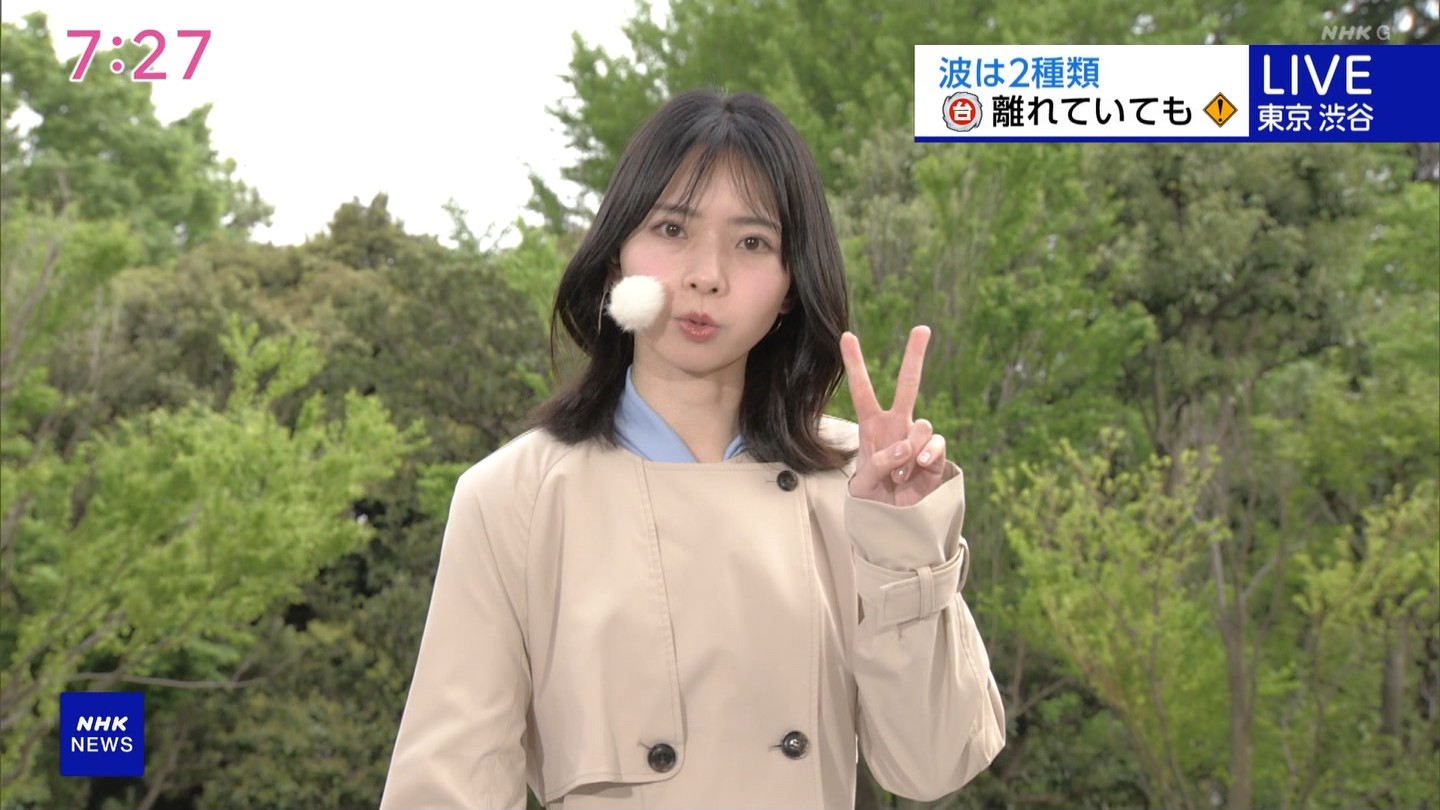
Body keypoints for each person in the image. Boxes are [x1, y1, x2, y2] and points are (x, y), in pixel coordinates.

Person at [379, 88, 1005, 810]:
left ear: (790, 287)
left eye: (752, 242)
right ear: (616, 259)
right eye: (672, 228)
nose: (707, 274)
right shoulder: (513, 496)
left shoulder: (855, 485)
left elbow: (932, 766)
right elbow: (446, 789)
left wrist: (902, 539)